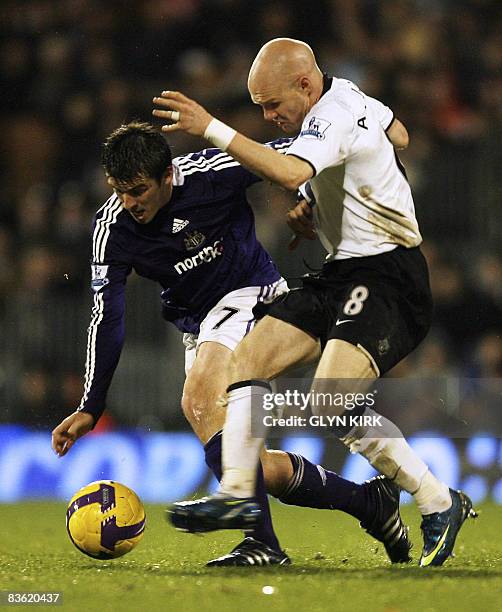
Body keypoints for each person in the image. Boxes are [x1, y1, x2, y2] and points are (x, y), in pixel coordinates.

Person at [152, 38, 477, 567]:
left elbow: (290, 172)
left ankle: (439, 502)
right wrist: (325, 206)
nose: (268, 116)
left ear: (306, 85)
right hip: (341, 273)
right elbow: (399, 131)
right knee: (247, 359)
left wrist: (212, 127)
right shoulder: (350, 98)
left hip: (389, 275)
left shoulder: (335, 111)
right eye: (258, 106)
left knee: (328, 400)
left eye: (273, 105)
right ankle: (238, 491)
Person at [51, 121, 413, 567]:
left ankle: (262, 544)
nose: (129, 202)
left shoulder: (213, 172)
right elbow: (107, 316)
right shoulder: (112, 228)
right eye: (120, 190)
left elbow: (298, 152)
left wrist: (366, 136)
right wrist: (92, 404)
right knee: (251, 466)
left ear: (167, 175)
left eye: (139, 190)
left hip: (253, 293)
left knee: (199, 399)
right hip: (198, 324)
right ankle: (370, 504)